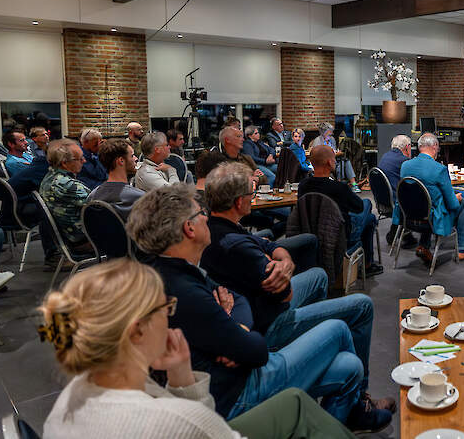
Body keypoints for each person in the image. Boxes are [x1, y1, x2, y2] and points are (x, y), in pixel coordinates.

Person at [126, 184, 389, 431]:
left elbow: (236, 301)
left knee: (349, 366)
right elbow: (257, 350)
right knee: (339, 328)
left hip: (233, 372)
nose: (205, 217)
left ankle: (332, 422)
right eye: (199, 213)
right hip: (235, 393)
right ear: (189, 229)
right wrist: (239, 332)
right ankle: (354, 409)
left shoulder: (169, 270)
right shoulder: (185, 290)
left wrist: (234, 328)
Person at [39, 258, 358, 439]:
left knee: (337, 373)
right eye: (165, 308)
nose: (171, 316)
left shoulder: (74, 395)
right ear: (137, 329)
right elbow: (201, 427)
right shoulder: (175, 421)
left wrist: (180, 376)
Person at [201, 163, 391, 420]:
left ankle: (313, 349)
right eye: (250, 194)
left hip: (259, 304)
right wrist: (281, 267)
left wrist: (285, 261)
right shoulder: (237, 247)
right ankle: (359, 402)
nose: (253, 197)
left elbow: (268, 244)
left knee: (318, 276)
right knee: (361, 305)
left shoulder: (217, 226)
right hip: (269, 321)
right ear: (238, 202)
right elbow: (286, 294)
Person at [299, 146, 384, 277]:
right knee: (367, 205)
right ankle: (367, 264)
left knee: (370, 219)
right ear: (329, 162)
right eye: (334, 159)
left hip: (311, 231)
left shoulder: (303, 186)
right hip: (341, 235)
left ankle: (367, 263)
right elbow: (358, 208)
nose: (335, 162)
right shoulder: (338, 188)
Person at [398, 132, 464, 264]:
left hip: (407, 217)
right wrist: (456, 198)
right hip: (431, 220)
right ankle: (462, 250)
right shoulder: (439, 169)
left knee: (427, 203)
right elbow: (452, 205)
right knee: (461, 203)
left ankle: (424, 245)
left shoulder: (405, 166)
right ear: (434, 147)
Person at [40, 138, 94, 256]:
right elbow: (101, 206)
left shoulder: (49, 177)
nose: (84, 161)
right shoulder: (66, 184)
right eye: (79, 159)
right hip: (83, 241)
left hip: (69, 237)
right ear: (64, 163)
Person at [89, 139, 145, 219]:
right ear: (121, 161)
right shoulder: (140, 197)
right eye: (132, 156)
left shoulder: (92, 196)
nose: (136, 159)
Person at [378, 134, 415, 248]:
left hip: (382, 200)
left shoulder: (385, 156)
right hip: (395, 201)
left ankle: (399, 234)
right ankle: (421, 237)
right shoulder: (403, 161)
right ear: (407, 147)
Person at [311, 122, 359, 193]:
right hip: (324, 163)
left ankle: (354, 184)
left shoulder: (332, 140)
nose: (331, 134)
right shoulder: (318, 141)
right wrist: (333, 154)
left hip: (334, 159)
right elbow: (317, 156)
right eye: (329, 133)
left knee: (346, 161)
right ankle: (339, 185)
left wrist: (336, 153)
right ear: (324, 133)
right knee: (339, 164)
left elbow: (335, 150)